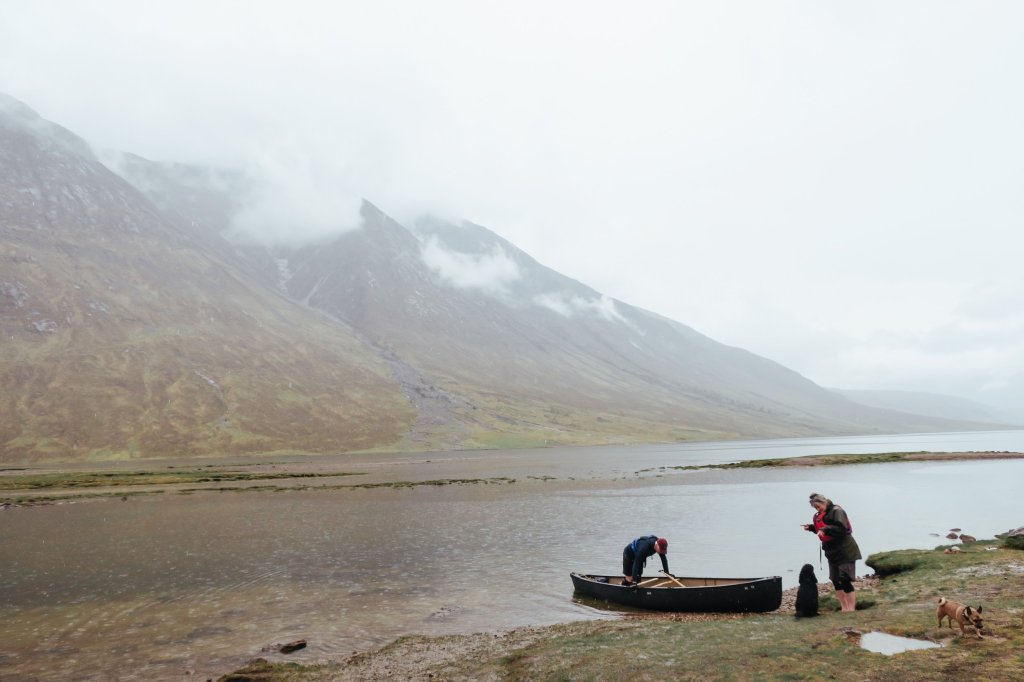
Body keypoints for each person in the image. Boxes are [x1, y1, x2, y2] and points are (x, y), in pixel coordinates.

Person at [802, 492, 861, 612]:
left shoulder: (837, 511)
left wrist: (825, 529)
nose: (817, 509)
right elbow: (822, 528)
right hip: (831, 550)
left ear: (824, 502)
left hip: (845, 549)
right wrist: (812, 528)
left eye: (818, 506)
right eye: (815, 508)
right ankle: (844, 607)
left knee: (844, 578)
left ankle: (851, 609)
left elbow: (840, 528)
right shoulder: (820, 514)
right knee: (835, 579)